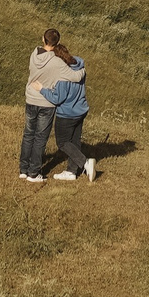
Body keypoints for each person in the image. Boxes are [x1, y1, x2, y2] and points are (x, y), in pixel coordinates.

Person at [20, 28, 94, 182]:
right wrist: (83, 72)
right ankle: (34, 173)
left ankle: (23, 169)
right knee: (41, 138)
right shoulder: (57, 62)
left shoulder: (34, 54)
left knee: (28, 135)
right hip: (46, 103)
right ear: (57, 42)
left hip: (31, 98)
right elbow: (74, 76)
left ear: (43, 39)